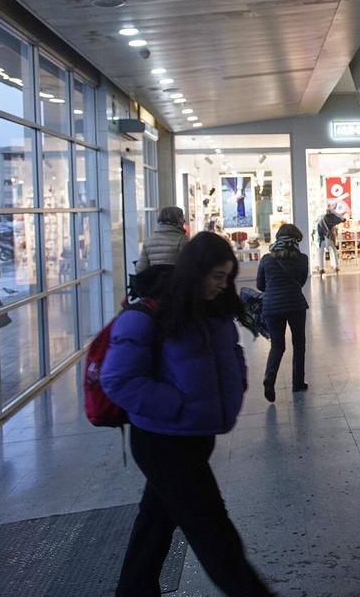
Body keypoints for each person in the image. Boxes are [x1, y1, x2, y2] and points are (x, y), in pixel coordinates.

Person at [101, 232, 273, 597]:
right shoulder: (150, 314)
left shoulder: (212, 310)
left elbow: (231, 352)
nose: (222, 285)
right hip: (162, 441)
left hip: (195, 437)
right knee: (212, 530)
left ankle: (134, 590)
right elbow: (117, 378)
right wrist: (177, 405)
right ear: (195, 271)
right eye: (216, 276)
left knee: (157, 520)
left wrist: (236, 380)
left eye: (227, 276)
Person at [256, 224, 310, 402]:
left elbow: (260, 285)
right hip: (295, 304)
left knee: (277, 346)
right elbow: (301, 281)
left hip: (272, 307)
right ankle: (298, 382)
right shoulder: (302, 259)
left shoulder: (266, 259)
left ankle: (269, 380)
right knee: (299, 343)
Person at [136, 206, 188, 273]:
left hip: (154, 282)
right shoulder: (182, 240)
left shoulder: (148, 241)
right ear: (176, 219)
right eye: (181, 217)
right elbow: (188, 266)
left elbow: (140, 269)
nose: (184, 220)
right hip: (175, 282)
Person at [314, 208, 343, 274]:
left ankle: (335, 266)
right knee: (321, 251)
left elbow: (340, 220)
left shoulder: (331, 221)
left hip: (329, 237)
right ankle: (321, 267)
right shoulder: (320, 222)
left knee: (333, 250)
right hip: (321, 238)